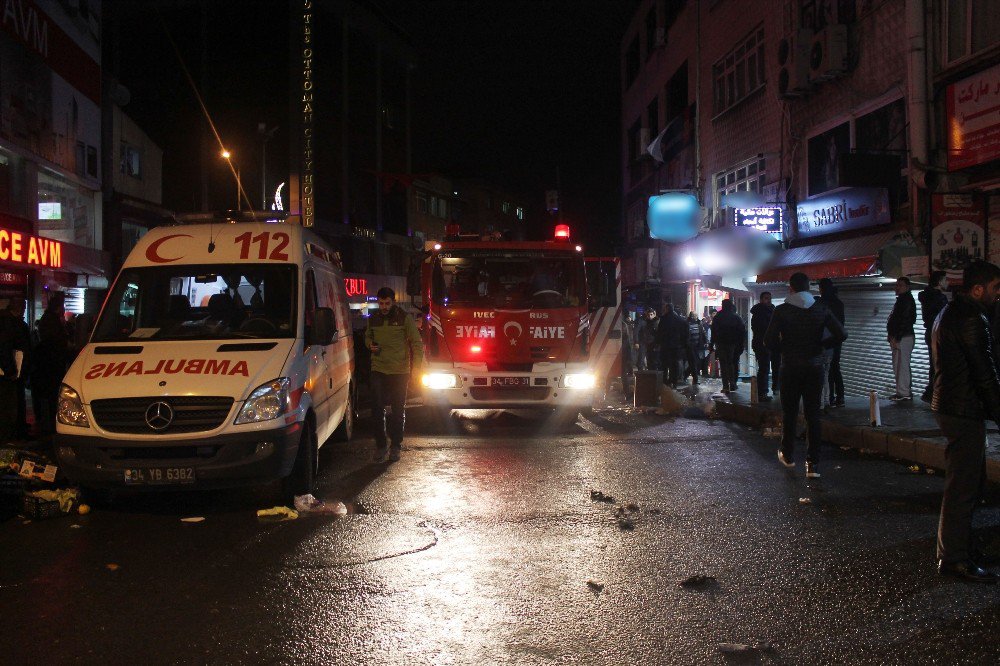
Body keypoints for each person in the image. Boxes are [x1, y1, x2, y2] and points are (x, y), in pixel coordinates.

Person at [930, 260, 1000, 583]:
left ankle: (961, 549)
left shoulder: (948, 312)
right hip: (963, 410)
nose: (998, 295)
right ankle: (954, 559)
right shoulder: (972, 318)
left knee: (969, 482)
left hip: (952, 407)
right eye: (995, 289)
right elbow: (983, 374)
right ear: (978, 289)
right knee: (963, 486)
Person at [764, 272, 847, 478]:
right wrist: (821, 345)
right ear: (809, 287)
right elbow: (842, 334)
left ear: (790, 288)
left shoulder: (782, 310)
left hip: (790, 366)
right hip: (815, 367)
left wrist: (784, 347)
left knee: (790, 412)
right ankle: (813, 465)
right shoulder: (821, 308)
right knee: (813, 415)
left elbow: (768, 341)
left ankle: (789, 456)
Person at [364, 287, 423, 463]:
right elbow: (367, 337)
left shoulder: (404, 318)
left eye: (387, 303)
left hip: (399, 371)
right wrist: (370, 345)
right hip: (379, 369)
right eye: (381, 303)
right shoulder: (373, 318)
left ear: (393, 302)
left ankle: (396, 445)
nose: (383, 307)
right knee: (376, 409)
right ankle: (381, 446)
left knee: (398, 410)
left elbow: (416, 344)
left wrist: (416, 370)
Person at [31, 292, 71, 445]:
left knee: (48, 395)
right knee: (51, 395)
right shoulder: (52, 322)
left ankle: (46, 423)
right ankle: (49, 425)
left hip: (47, 365)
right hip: (51, 365)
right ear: (59, 307)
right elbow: (56, 343)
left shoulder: (47, 320)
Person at [0, 298, 31, 440]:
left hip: (9, 371)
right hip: (9, 372)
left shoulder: (8, 321)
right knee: (9, 405)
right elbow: (4, 348)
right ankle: (10, 435)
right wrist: (10, 370)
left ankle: (14, 432)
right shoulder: (8, 323)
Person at [919, 271, 949, 403]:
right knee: (939, 364)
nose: (947, 282)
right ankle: (935, 392)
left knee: (933, 363)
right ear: (939, 282)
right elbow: (944, 317)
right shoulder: (940, 298)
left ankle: (931, 391)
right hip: (938, 333)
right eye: (945, 280)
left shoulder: (926, 296)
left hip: (929, 332)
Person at [817, 278, 846, 408]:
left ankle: (829, 398)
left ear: (821, 288)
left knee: (826, 370)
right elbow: (841, 324)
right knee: (835, 367)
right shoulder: (838, 303)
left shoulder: (822, 302)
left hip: (825, 340)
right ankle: (840, 397)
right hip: (837, 339)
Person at [887, 277, 917, 401]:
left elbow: (905, 320)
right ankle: (903, 391)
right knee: (900, 364)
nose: (897, 287)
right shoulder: (903, 300)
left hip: (903, 337)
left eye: (900, 285)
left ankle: (903, 392)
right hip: (902, 337)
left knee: (901, 365)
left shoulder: (906, 301)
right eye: (896, 285)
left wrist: (896, 337)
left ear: (907, 287)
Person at [710, 299, 746, 393]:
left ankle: (725, 385)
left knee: (723, 364)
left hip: (720, 343)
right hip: (733, 344)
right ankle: (733, 383)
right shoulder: (736, 317)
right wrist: (741, 344)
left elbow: (713, 332)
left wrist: (711, 344)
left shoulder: (718, 317)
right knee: (731, 363)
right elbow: (742, 332)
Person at [750, 292, 778, 401]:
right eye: (766, 298)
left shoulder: (772, 310)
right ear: (761, 299)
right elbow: (760, 329)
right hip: (763, 344)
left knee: (773, 367)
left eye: (770, 298)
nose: (769, 300)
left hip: (772, 344)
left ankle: (774, 388)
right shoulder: (759, 313)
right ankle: (762, 392)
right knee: (764, 368)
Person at [657, 303, 688, 387]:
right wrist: (684, 345)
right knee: (674, 365)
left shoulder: (663, 319)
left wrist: (658, 344)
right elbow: (685, 334)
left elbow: (659, 333)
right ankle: (674, 381)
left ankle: (665, 381)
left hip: (665, 346)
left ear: (667, 309)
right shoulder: (680, 320)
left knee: (664, 364)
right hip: (677, 347)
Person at [685, 311, 706, 386]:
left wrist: (704, 341)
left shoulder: (699, 323)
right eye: (694, 316)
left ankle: (685, 375)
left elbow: (702, 333)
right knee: (693, 362)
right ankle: (695, 379)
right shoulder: (687, 323)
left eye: (696, 315)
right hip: (690, 346)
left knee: (695, 362)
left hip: (697, 346)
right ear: (691, 316)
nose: (695, 317)